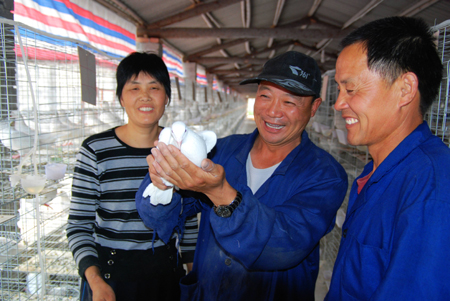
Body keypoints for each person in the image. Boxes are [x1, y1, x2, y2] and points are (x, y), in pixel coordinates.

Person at [136, 51, 348, 300]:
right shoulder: (221, 150)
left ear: (314, 107)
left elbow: (285, 244)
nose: (273, 111)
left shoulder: (325, 175)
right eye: (265, 96)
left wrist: (220, 192)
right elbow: (162, 214)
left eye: (289, 102)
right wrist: (163, 184)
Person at [325, 17, 450, 300]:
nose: (339, 103)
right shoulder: (376, 173)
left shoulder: (431, 188)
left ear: (404, 89)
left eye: (351, 89)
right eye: (339, 89)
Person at [66, 52, 198, 301]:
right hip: (109, 279)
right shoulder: (96, 150)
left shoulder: (179, 150)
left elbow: (188, 219)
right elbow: (78, 225)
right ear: (120, 98)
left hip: (165, 276)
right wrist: (95, 281)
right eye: (134, 88)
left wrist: (192, 275)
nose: (145, 96)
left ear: (166, 97)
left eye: (154, 87)